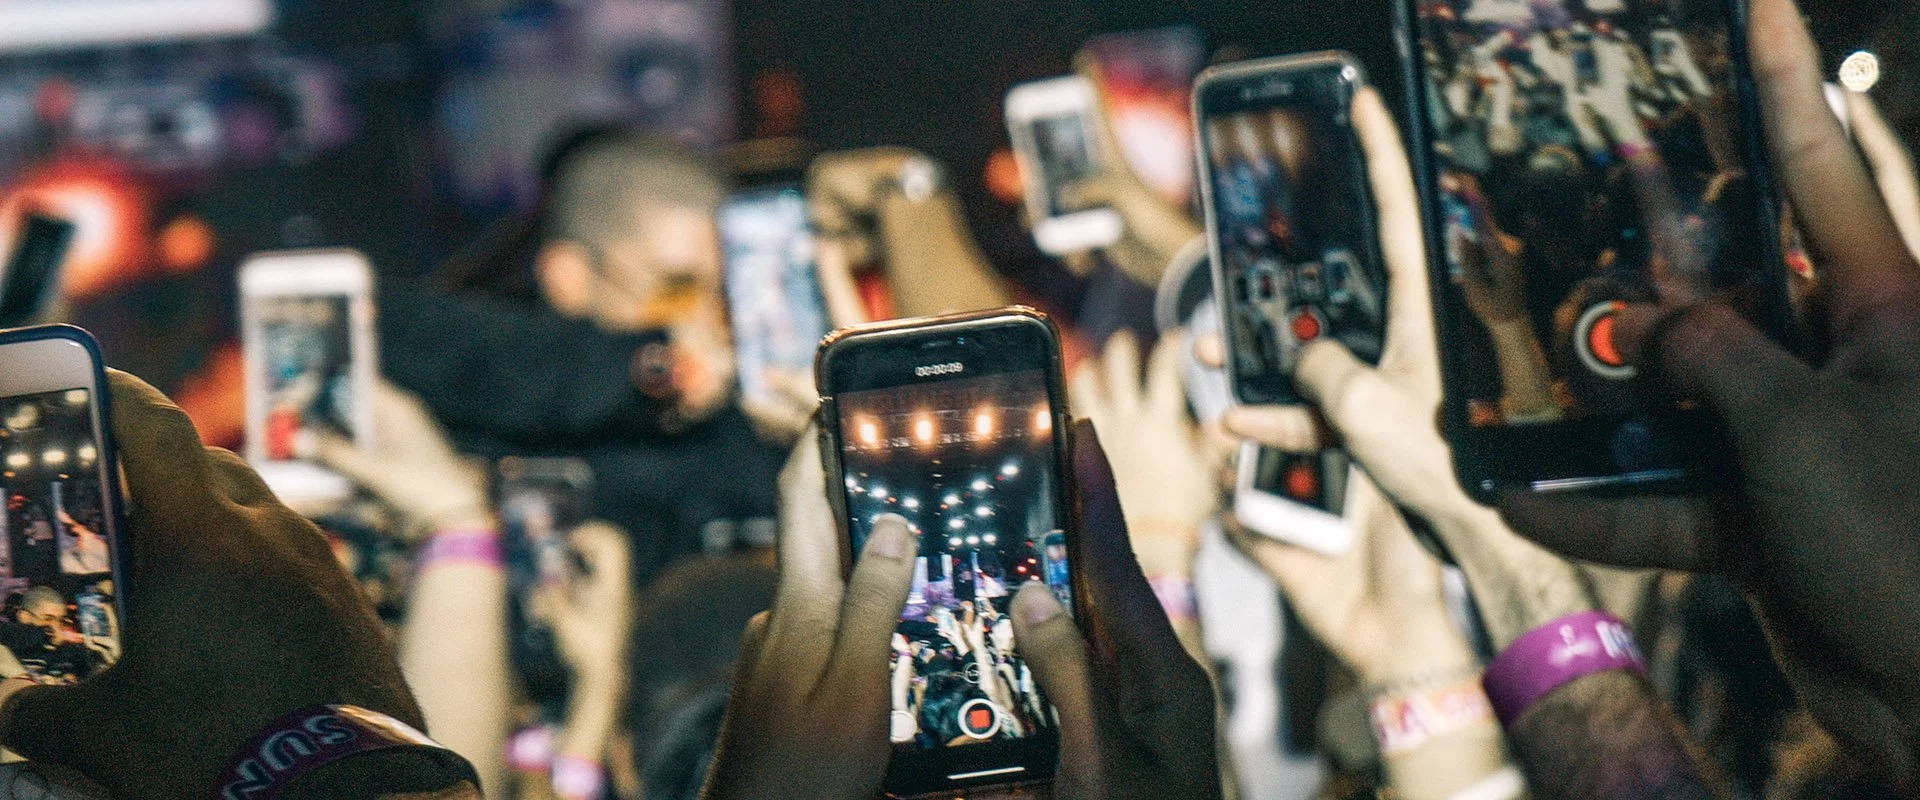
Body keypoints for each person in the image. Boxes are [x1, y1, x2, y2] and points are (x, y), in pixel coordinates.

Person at [380, 129, 795, 583]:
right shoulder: (475, 359)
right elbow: (441, 347)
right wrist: (660, 371)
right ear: (569, 277)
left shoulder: (733, 431)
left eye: (724, 296)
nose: (706, 320)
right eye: (675, 290)